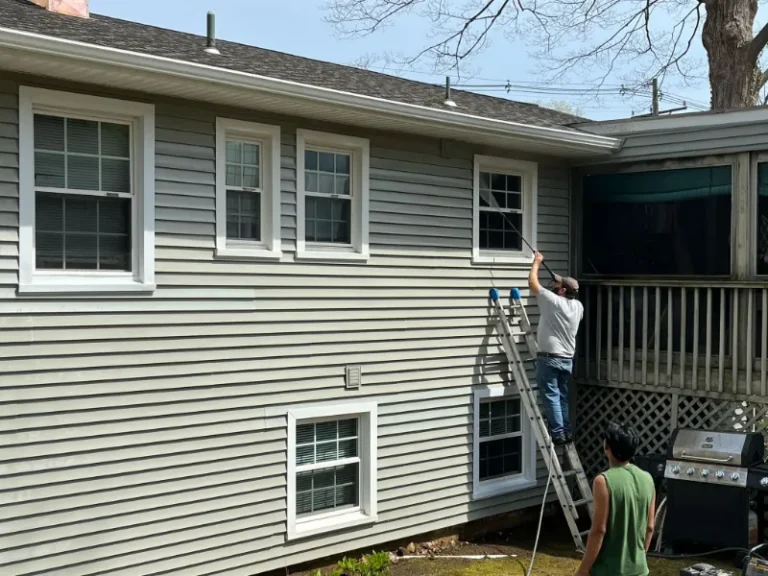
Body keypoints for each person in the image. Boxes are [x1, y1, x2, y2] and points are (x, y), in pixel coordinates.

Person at [575, 422, 656, 576]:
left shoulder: (603, 481)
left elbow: (599, 530)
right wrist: (639, 557)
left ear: (607, 447)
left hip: (608, 571)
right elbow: (650, 527)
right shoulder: (648, 479)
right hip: (639, 570)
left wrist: (583, 569)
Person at [528, 251, 583, 445]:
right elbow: (560, 290)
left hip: (550, 358)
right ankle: (566, 430)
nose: (555, 285)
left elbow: (533, 284)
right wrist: (557, 279)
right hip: (567, 359)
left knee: (551, 395)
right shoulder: (578, 307)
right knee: (562, 396)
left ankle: (558, 432)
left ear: (562, 291)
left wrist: (537, 262)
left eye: (558, 285)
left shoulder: (553, 302)